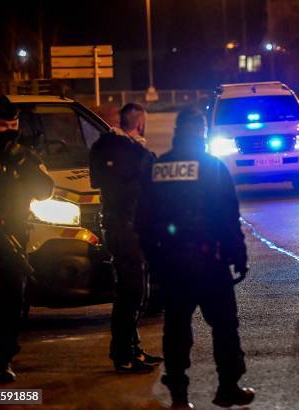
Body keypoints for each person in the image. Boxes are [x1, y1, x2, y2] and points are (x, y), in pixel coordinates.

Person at [136, 107, 254, 409]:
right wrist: (238, 257)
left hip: (172, 265)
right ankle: (227, 387)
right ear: (201, 132)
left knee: (176, 329)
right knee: (225, 327)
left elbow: (143, 221)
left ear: (177, 130)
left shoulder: (158, 168)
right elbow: (228, 217)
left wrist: (155, 260)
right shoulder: (212, 167)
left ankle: (179, 396)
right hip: (210, 263)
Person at [0, 95, 54, 387]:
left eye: (14, 124)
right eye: (2, 124)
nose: (9, 129)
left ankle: (3, 360)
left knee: (13, 301)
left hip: (15, 237)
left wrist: (22, 159)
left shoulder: (25, 155)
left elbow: (45, 190)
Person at [89, 103, 162, 373]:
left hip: (113, 225)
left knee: (127, 289)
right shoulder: (138, 152)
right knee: (133, 291)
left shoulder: (100, 147)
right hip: (130, 228)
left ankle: (132, 348)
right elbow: (153, 190)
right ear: (140, 123)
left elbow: (95, 181)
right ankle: (123, 353)